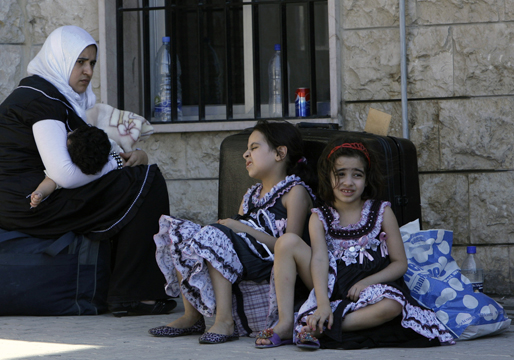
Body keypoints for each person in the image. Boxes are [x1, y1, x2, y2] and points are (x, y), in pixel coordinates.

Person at [0, 25, 175, 316]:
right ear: (60, 60)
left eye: (92, 63)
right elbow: (63, 172)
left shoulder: (52, 96)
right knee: (146, 181)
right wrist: (120, 164)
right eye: (79, 62)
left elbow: (86, 156)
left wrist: (131, 156)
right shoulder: (40, 100)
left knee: (138, 178)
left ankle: (127, 289)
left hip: (35, 198)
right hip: (30, 204)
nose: (87, 71)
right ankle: (133, 294)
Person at [149, 120, 315, 344]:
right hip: (245, 258)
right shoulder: (251, 195)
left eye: (254, 148)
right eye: (247, 149)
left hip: (269, 260)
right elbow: (233, 237)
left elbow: (288, 245)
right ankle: (191, 316)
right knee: (180, 231)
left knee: (216, 234)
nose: (246, 154)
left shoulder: (295, 191)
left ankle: (225, 321)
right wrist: (232, 229)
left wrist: (239, 227)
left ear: (280, 153)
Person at [290, 136, 454, 349]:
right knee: (323, 309)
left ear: (366, 179)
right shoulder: (319, 217)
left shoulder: (382, 212)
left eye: (356, 175)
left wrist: (368, 282)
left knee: (393, 306)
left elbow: (399, 264)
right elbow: (319, 260)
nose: (348, 182)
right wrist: (322, 304)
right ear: (328, 177)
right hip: (338, 291)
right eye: (340, 174)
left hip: (375, 289)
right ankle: (324, 319)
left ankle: (325, 328)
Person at [29, 125, 113, 208]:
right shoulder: (103, 149)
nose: (68, 133)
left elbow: (51, 180)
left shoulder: (68, 169)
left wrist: (40, 192)